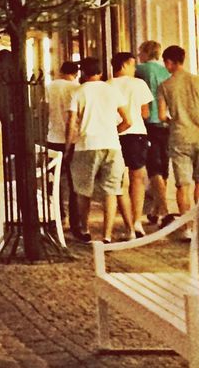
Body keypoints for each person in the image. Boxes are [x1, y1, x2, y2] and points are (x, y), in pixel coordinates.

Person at [66, 57, 132, 243]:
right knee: (110, 191)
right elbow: (128, 120)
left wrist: (68, 147)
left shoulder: (79, 92)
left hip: (86, 145)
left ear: (83, 73)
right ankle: (107, 234)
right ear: (101, 72)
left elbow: (71, 123)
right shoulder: (112, 91)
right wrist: (113, 132)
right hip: (111, 145)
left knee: (83, 190)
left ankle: (85, 229)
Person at [159, 44, 199, 234]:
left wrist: (174, 120)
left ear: (169, 62)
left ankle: (187, 227)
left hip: (179, 138)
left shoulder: (165, 86)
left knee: (182, 184)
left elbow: (161, 116)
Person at [109, 51, 153, 237]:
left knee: (119, 181)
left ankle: (127, 224)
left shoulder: (108, 85)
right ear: (125, 65)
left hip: (114, 134)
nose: (135, 69)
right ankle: (137, 221)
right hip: (136, 134)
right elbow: (145, 113)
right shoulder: (139, 84)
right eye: (133, 65)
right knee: (137, 178)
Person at [41, 59, 81, 237]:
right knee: (74, 183)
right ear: (76, 73)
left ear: (61, 70)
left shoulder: (50, 87)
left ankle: (57, 216)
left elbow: (42, 109)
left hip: (53, 136)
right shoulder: (77, 88)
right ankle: (75, 222)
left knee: (54, 180)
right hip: (74, 138)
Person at [136, 40, 172, 226]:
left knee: (154, 166)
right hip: (166, 122)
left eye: (140, 51)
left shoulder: (141, 70)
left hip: (149, 122)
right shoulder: (165, 71)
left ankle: (164, 211)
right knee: (163, 165)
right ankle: (155, 210)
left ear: (145, 52)